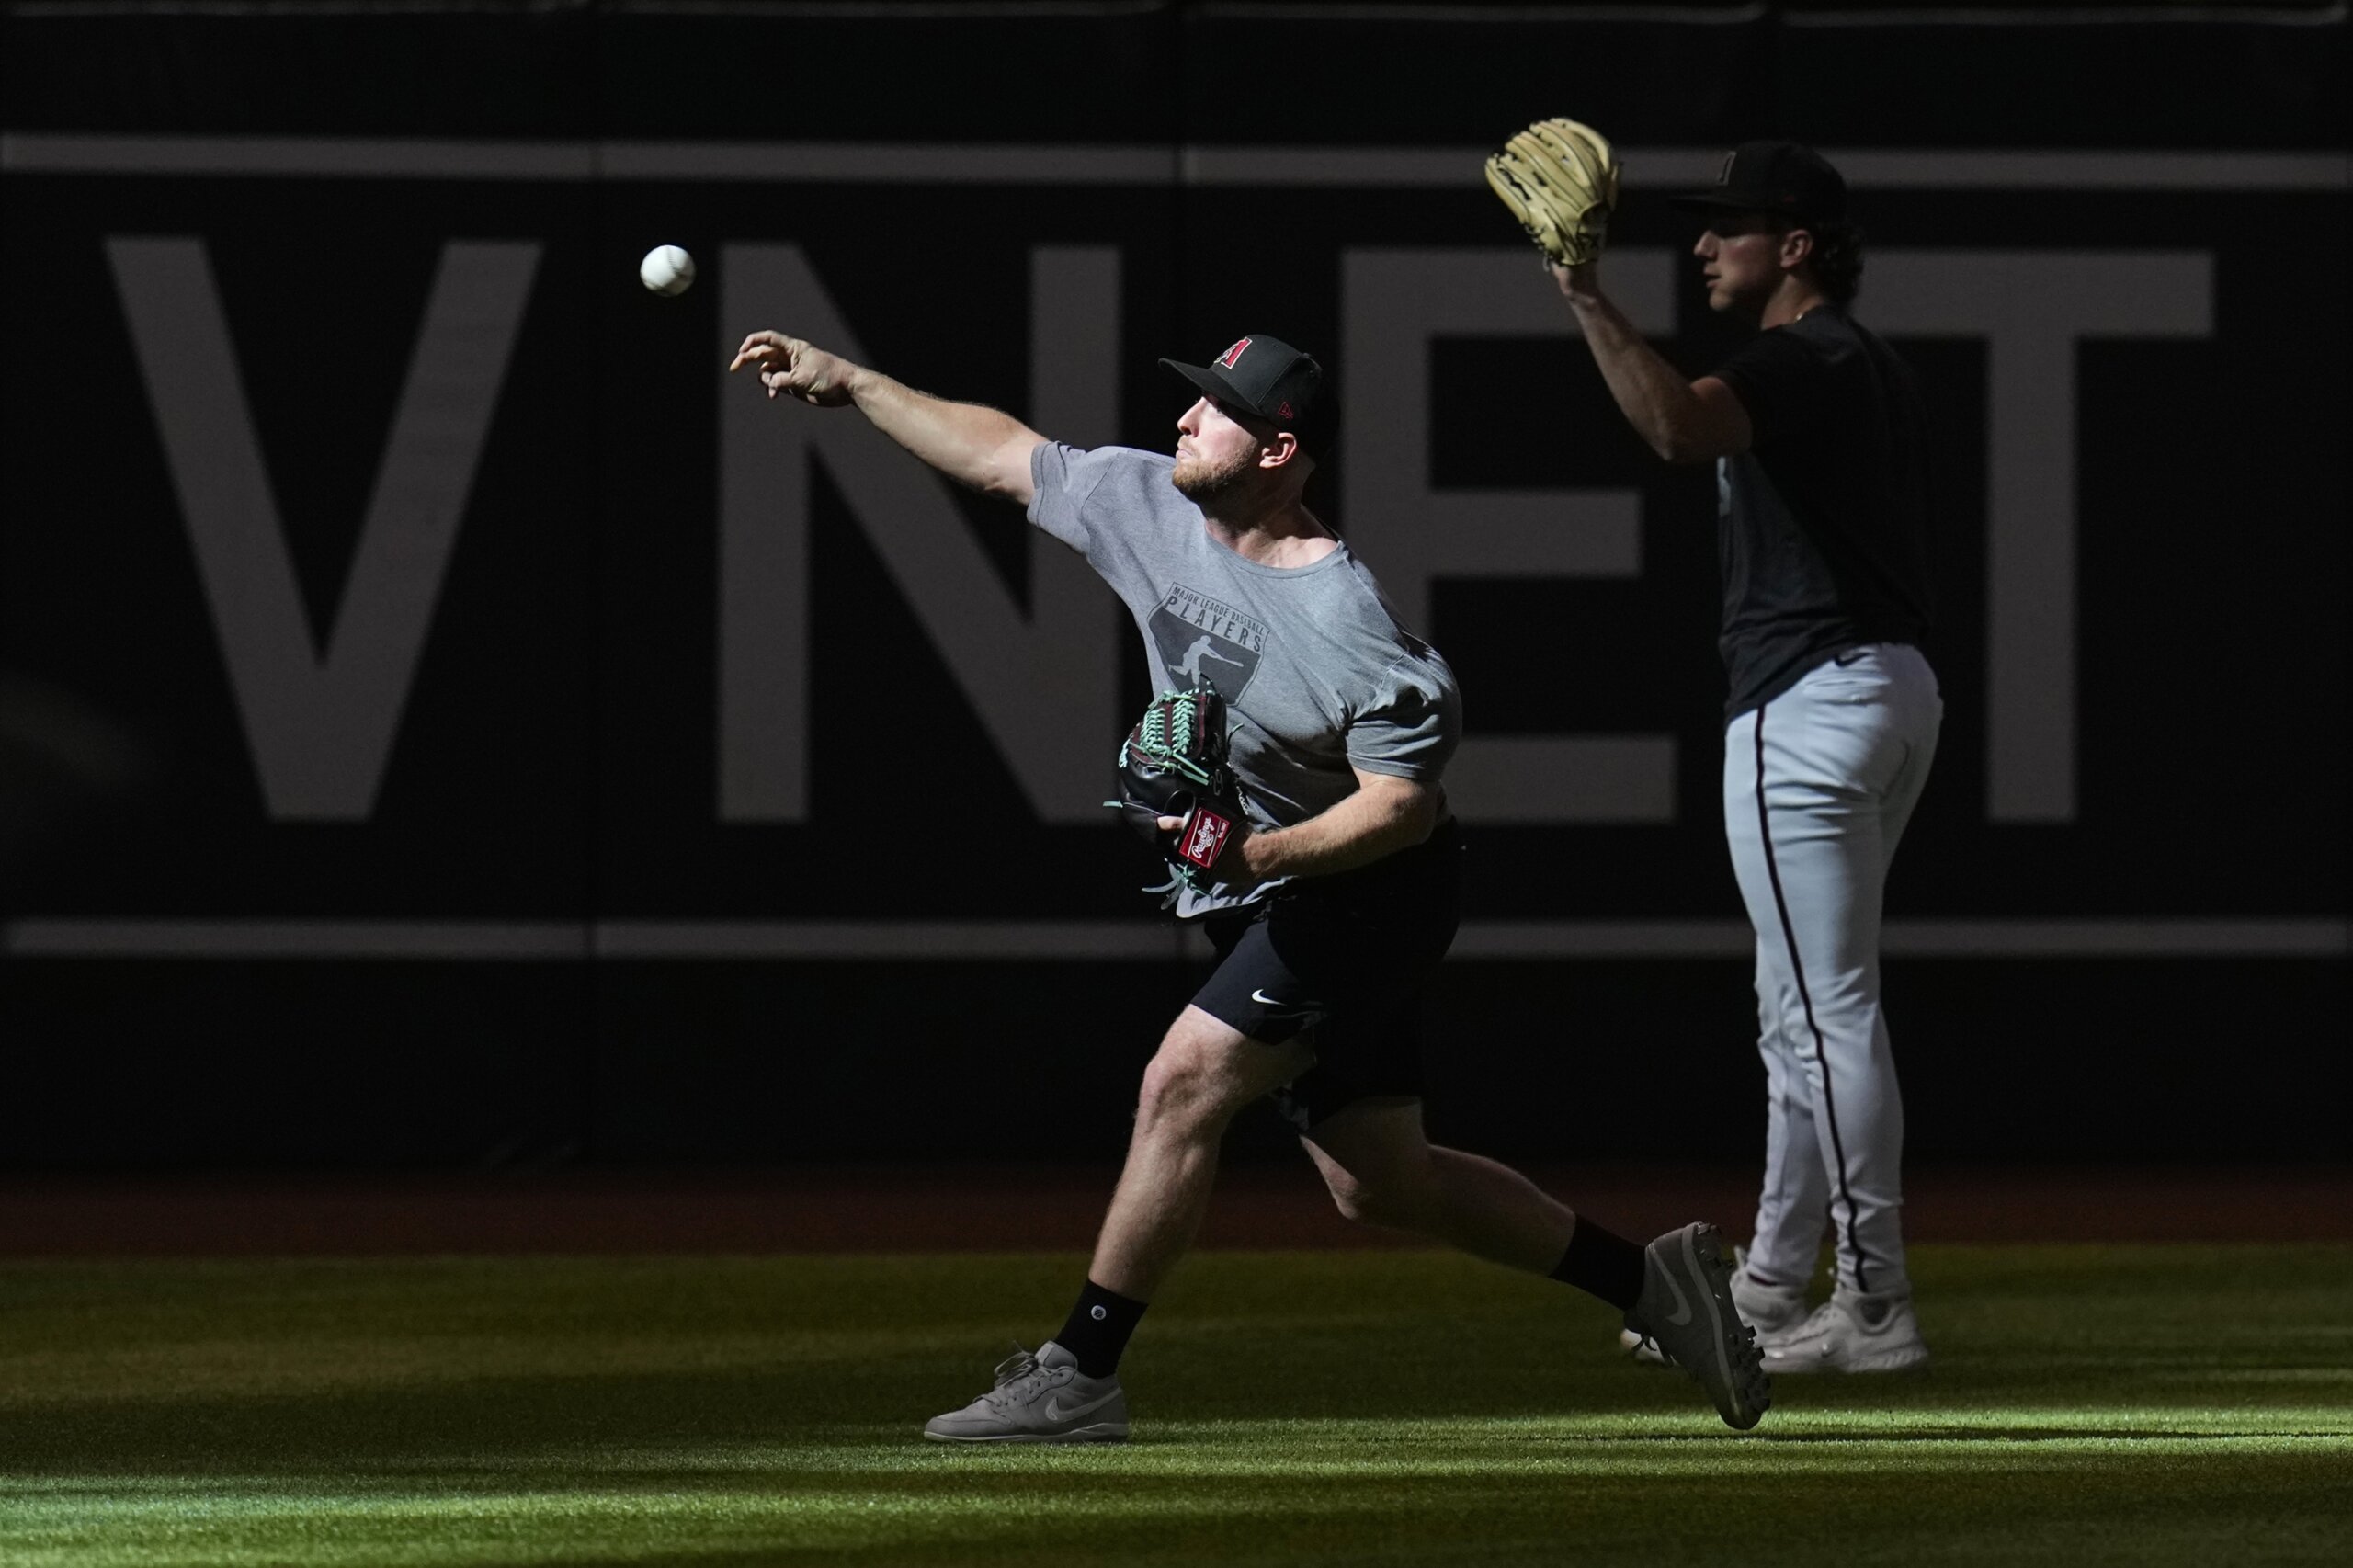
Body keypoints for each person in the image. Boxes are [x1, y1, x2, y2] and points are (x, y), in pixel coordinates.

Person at [727, 324, 1770, 1437]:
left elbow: (1397, 806)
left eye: (1213, 407)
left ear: (1277, 450)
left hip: (1367, 890)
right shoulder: (1148, 506)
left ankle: (1078, 1373)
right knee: (1382, 1181)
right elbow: (999, 451)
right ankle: (1655, 1287)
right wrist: (858, 379)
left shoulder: (1350, 628)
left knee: (1180, 1082)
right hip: (1275, 892)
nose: (1182, 418)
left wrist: (1252, 855)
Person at [1544, 141, 1941, 1373]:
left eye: (1734, 226)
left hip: (1806, 704)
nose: (1706, 244)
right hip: (1883, 687)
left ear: (1799, 244)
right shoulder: (1857, 361)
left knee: (1824, 1016)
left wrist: (1585, 296)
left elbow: (1675, 426)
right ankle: (1772, 1282)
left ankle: (1874, 1304)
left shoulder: (1802, 354)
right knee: (1798, 1013)